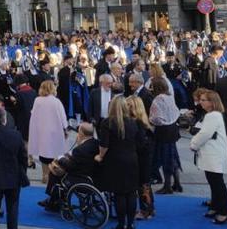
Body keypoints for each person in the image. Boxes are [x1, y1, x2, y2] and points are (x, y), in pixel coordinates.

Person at [95, 96, 144, 229]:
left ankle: (121, 224)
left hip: (115, 160)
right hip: (132, 159)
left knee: (119, 194)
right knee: (131, 192)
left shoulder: (107, 123)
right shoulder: (133, 123)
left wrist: (100, 156)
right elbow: (140, 143)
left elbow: (104, 144)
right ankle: (131, 223)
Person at [190, 90, 227, 224]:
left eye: (203, 100)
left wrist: (193, 145)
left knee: (217, 183)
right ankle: (215, 206)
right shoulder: (212, 115)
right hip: (212, 153)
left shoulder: (213, 115)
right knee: (214, 182)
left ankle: (224, 212)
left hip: (214, 154)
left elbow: (204, 134)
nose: (200, 102)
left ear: (212, 102)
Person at [40, 122, 98, 212]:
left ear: (81, 133)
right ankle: (53, 200)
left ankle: (52, 201)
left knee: (55, 172)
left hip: (80, 178)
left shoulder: (79, 149)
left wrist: (61, 158)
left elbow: (70, 167)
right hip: (93, 176)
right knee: (57, 170)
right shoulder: (96, 143)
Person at [28, 80, 68, 184]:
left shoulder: (37, 100)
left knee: (43, 153)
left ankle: (44, 174)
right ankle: (52, 175)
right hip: (55, 131)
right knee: (54, 153)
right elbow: (63, 117)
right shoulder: (56, 101)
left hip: (41, 130)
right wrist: (65, 128)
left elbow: (33, 114)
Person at [149, 78, 182, 195]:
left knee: (165, 158)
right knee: (173, 156)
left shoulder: (157, 100)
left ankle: (167, 186)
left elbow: (156, 117)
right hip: (173, 128)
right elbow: (176, 111)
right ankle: (177, 183)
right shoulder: (169, 97)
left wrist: (151, 120)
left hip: (163, 131)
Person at [126, 96, 156, 220]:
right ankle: (149, 208)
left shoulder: (137, 123)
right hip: (145, 157)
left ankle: (145, 210)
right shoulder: (143, 123)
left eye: (128, 105)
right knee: (145, 184)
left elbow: (140, 144)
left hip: (141, 158)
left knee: (143, 185)